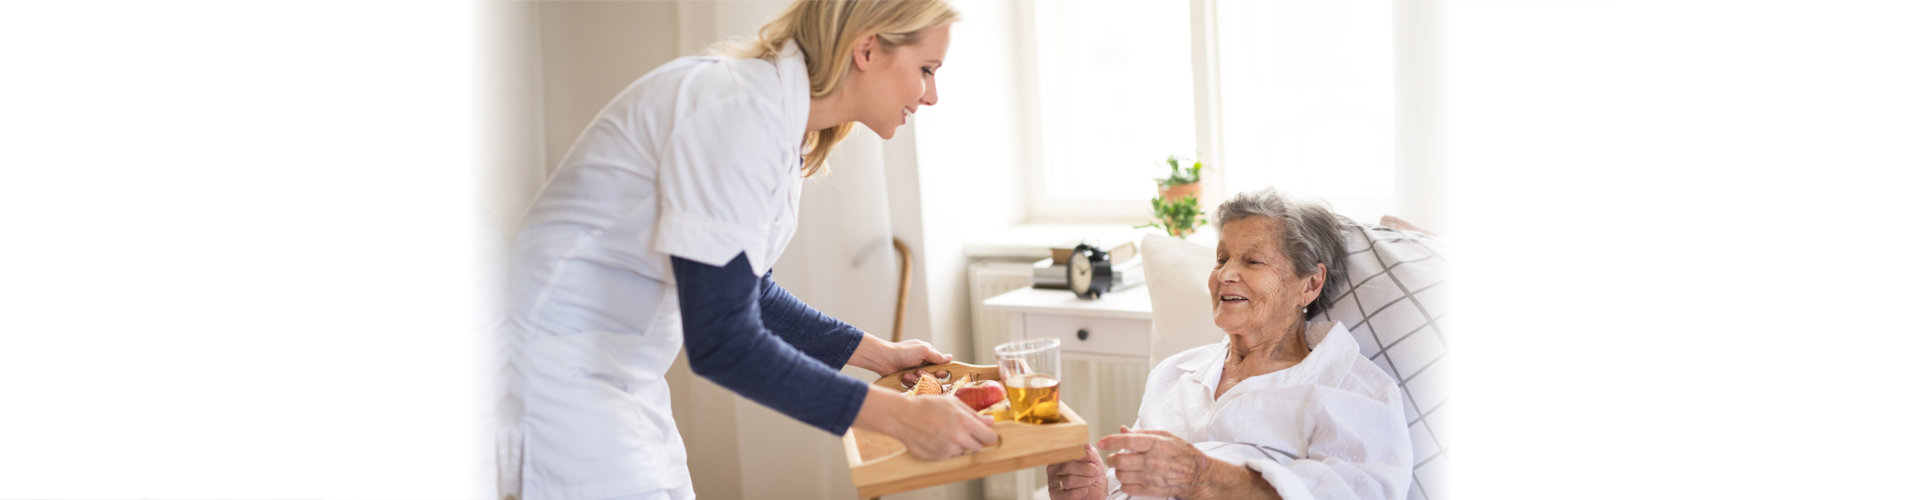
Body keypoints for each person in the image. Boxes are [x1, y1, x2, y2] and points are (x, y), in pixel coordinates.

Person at [502, 1, 994, 499]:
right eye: (926, 70)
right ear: (867, 48)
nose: (931, 95)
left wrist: (879, 356)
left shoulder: (778, 121)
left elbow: (746, 289)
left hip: (614, 377)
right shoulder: (738, 113)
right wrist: (899, 418)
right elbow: (723, 341)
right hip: (555, 378)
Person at [1046, 188, 1414, 500]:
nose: (1225, 275)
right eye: (1221, 259)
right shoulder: (1174, 374)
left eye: (1252, 261)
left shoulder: (1351, 389)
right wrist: (1096, 491)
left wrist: (1202, 476)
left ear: (1310, 284)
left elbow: (1356, 493)